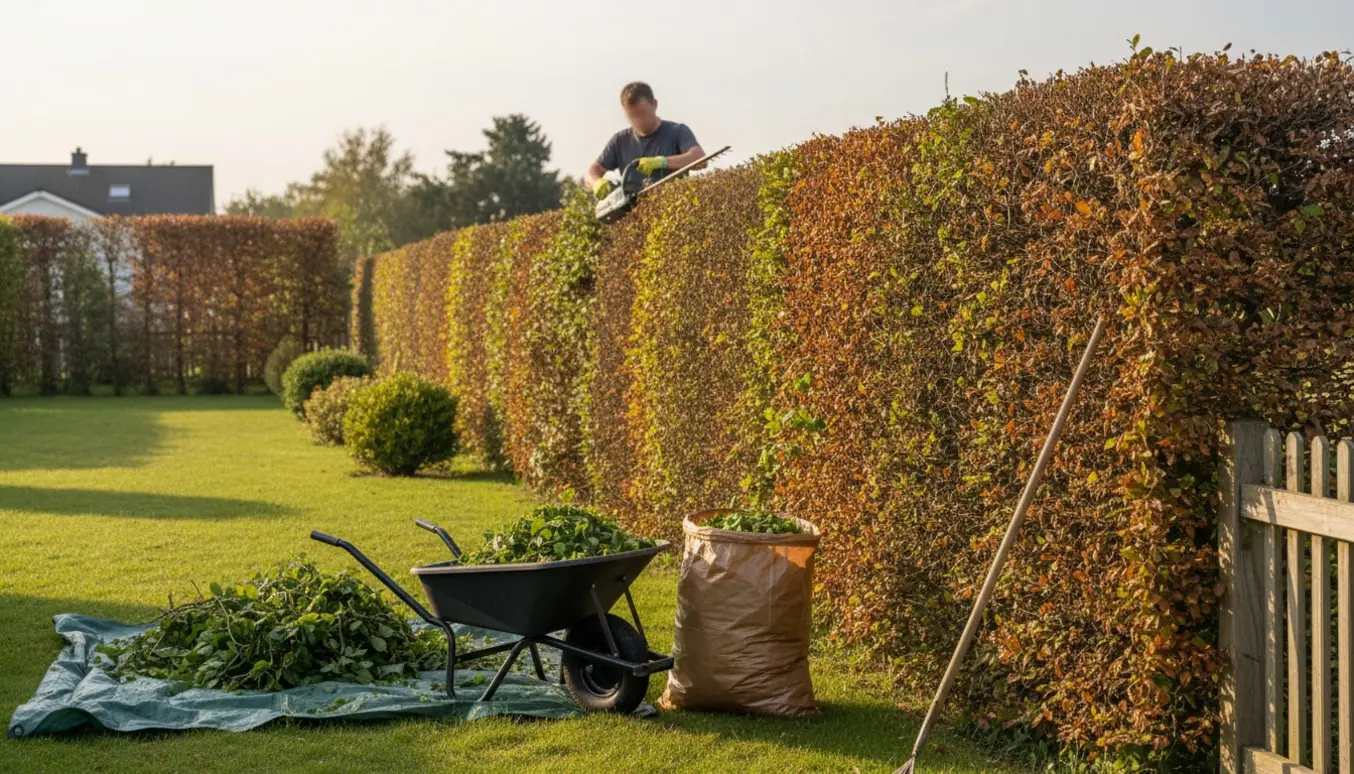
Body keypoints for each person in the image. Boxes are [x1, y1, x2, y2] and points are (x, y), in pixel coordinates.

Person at [586, 82, 705, 199]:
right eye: (632, 116)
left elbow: (700, 159)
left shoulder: (677, 132)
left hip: (675, 209)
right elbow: (592, 171)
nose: (638, 121)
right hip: (635, 214)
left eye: (642, 113)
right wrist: (596, 183)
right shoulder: (619, 141)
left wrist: (662, 162)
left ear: (654, 104)